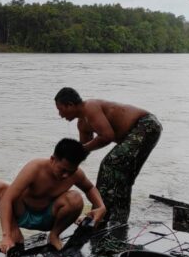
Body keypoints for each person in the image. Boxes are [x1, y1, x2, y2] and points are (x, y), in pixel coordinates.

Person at [54, 87, 162, 225]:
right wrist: (64, 169)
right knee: (123, 177)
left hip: (146, 125)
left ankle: (100, 214)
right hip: (138, 133)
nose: (60, 114)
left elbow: (107, 136)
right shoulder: (82, 124)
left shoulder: (90, 107)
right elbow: (82, 153)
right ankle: (116, 219)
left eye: (60, 109)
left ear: (70, 105)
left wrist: (81, 148)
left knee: (109, 164)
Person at [0, 138, 106, 253]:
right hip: (22, 213)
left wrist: (100, 207)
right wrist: (6, 235)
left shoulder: (76, 174)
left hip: (49, 218)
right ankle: (15, 232)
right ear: (52, 159)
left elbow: (89, 188)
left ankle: (54, 235)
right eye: (63, 170)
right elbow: (6, 199)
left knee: (75, 198)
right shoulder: (35, 168)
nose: (66, 175)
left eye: (71, 171)